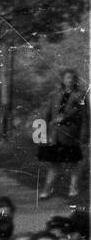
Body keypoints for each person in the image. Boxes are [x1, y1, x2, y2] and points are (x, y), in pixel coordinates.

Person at [38, 68, 88, 200]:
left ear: (75, 80)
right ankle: (46, 191)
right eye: (67, 78)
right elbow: (47, 114)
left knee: (75, 163)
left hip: (70, 135)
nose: (69, 80)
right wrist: (41, 133)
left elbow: (84, 117)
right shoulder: (55, 95)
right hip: (55, 135)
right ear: (63, 80)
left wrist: (84, 135)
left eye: (72, 78)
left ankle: (73, 189)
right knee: (54, 164)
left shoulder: (80, 95)